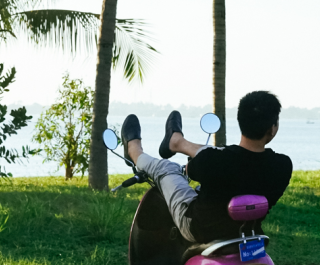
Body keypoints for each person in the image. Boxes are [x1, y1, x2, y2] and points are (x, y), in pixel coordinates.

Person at [120, 90, 293, 243]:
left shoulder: (212, 161)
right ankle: (176, 141)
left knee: (166, 168)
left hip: (199, 230)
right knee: (216, 152)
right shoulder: (283, 166)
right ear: (272, 129)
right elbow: (237, 160)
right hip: (247, 234)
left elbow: (192, 169)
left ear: (240, 122)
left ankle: (134, 151)